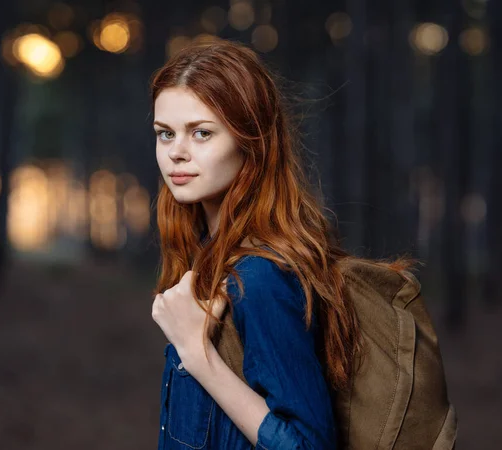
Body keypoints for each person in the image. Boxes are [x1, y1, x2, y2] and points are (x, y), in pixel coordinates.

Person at [149, 38, 409, 449]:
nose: (176, 154)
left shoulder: (261, 276)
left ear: (250, 141)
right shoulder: (207, 255)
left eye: (201, 133)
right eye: (165, 134)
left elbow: (307, 444)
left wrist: (198, 357)